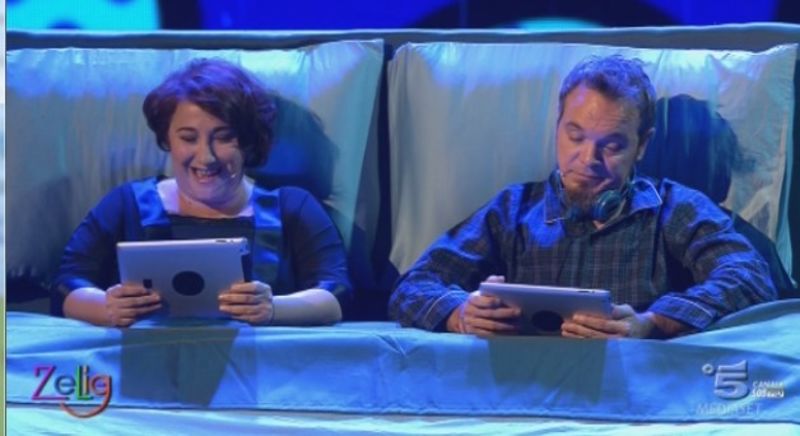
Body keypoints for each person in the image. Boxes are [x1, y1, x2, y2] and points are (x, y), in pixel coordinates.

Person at [388, 55, 777, 339]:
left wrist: (652, 322)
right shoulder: (512, 210)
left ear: (642, 146)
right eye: (575, 137)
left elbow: (750, 278)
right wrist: (460, 314)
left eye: (612, 146)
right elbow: (414, 285)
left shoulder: (673, 208)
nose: (588, 160)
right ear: (557, 128)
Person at [53, 58, 351, 327]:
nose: (206, 157)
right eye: (188, 138)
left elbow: (336, 295)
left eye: (224, 138)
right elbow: (67, 285)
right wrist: (106, 307)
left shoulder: (293, 208)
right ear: (167, 139)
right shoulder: (126, 203)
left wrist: (273, 308)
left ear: (249, 142)